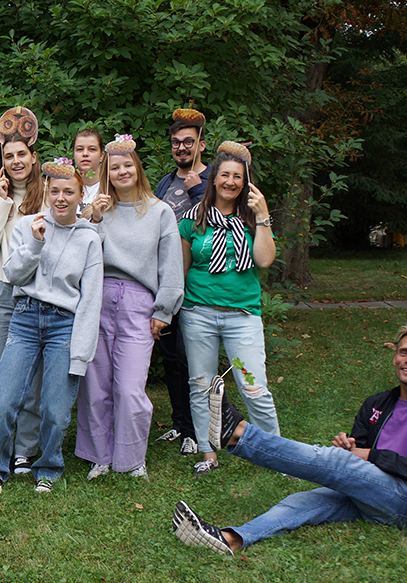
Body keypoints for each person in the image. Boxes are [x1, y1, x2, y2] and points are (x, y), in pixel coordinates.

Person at [174, 323, 407, 554]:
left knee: (334, 461)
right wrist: (351, 447)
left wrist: (368, 457)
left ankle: (238, 435)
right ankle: (230, 539)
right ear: (395, 357)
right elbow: (360, 448)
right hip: (368, 491)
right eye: (404, 352)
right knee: (301, 501)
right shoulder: (378, 403)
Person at [0, 159, 103, 495]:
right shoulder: (27, 225)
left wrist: (81, 353)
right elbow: (14, 275)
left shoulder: (90, 239)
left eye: (69, 192)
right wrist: (35, 243)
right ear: (47, 191)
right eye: (56, 191)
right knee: (4, 400)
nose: (61, 198)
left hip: (65, 324)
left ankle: (47, 466)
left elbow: (91, 300)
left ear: (80, 197)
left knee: (54, 408)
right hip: (25, 318)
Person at [75, 134, 184, 479]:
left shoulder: (159, 212)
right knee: (96, 383)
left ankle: (132, 459)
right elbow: (83, 256)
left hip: (139, 301)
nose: (122, 172)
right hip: (100, 297)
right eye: (115, 168)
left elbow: (171, 265)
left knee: (130, 387)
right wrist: (94, 219)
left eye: (127, 166)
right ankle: (100, 456)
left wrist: (164, 310)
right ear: (107, 173)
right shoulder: (99, 212)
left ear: (137, 168)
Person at [178, 143, 279, 476]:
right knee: (201, 384)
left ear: (246, 181)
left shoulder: (252, 220)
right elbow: (181, 270)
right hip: (198, 314)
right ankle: (208, 454)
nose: (231, 182)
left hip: (242, 316)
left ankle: (274, 452)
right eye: (225, 175)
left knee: (253, 385)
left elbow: (264, 260)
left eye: (238, 176)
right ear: (214, 179)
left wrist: (262, 214)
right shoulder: (193, 220)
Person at [0, 107, 47, 475]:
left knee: (30, 374)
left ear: (33, 157)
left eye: (22, 155)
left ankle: (25, 449)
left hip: (36, 294)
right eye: (9, 157)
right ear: (1, 163)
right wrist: (2, 201)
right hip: (1, 291)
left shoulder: (49, 196)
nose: (16, 161)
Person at [152, 106, 213, 455]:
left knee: (192, 361)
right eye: (176, 143)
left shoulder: (212, 181)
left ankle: (199, 430)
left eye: (188, 142)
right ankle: (180, 425)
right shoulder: (164, 182)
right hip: (166, 283)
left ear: (201, 145)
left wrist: (195, 192)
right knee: (171, 359)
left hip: (197, 286)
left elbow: (218, 228)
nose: (181, 149)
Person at [72, 128, 104, 215]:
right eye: (79, 149)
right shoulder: (65, 184)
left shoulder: (111, 185)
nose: (85, 154)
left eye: (92, 149)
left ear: (101, 155)